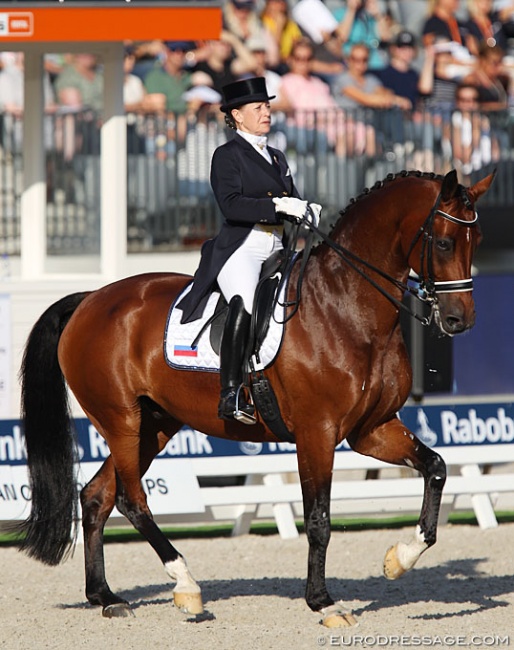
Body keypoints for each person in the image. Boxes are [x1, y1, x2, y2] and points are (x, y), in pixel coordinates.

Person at [177, 77, 322, 423]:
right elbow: (231, 206)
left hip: (277, 246)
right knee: (243, 301)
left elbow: (292, 197)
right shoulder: (227, 156)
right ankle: (230, 393)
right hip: (241, 247)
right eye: (258, 108)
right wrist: (279, 208)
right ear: (237, 116)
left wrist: (306, 208)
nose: (266, 112)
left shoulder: (277, 156)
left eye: (268, 106)